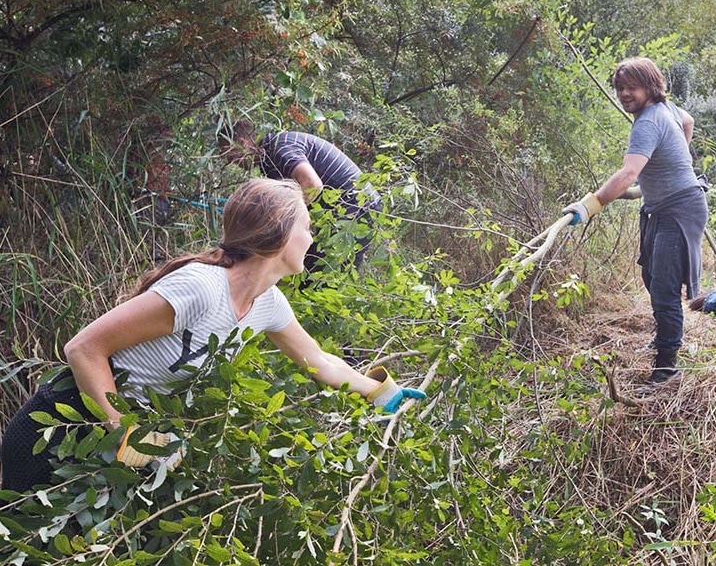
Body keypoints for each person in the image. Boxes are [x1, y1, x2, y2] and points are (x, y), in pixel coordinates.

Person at [1, 178, 424, 494]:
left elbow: (320, 361)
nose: (312, 238)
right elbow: (84, 348)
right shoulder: (201, 288)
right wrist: (125, 434)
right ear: (278, 231)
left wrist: (381, 393)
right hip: (60, 424)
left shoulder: (268, 304)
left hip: (114, 443)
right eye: (307, 227)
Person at [563, 56, 708, 388]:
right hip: (659, 207)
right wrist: (664, 170)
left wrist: (591, 205)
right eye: (620, 88)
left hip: (680, 209)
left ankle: (667, 367)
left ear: (650, 86)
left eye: (632, 87)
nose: (625, 94)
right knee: (651, 276)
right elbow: (689, 121)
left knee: (664, 288)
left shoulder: (647, 121)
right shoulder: (666, 110)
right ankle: (664, 340)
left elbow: (628, 172)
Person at [220, 120, 383, 274]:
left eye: (228, 154)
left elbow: (312, 185)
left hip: (358, 206)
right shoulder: (269, 157)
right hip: (347, 206)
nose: (230, 161)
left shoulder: (279, 149)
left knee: (324, 273)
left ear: (242, 143)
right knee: (309, 266)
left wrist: (285, 222)